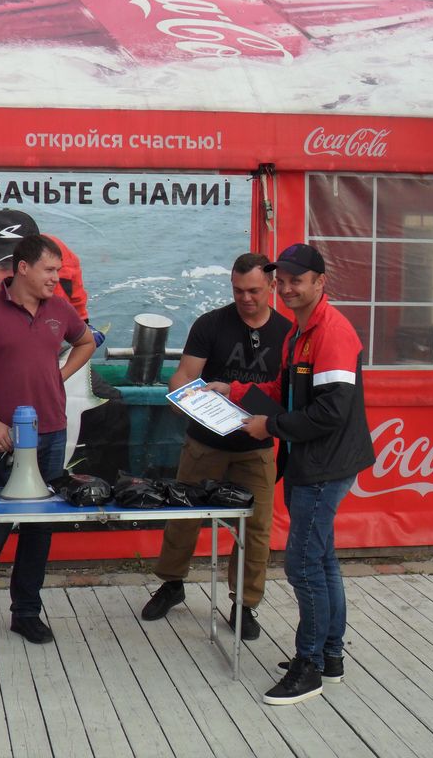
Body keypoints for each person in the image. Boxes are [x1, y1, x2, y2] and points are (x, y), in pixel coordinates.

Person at [207, 242, 375, 706]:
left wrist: (270, 426)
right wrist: (233, 389)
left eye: (295, 281)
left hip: (325, 464)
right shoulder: (300, 332)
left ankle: (310, 666)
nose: (285, 289)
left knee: (302, 565)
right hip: (315, 460)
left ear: (320, 282)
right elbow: (284, 388)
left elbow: (332, 412)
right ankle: (331, 657)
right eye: (280, 281)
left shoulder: (332, 332)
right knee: (322, 560)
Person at [0, 223, 95, 644]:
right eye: (49, 270)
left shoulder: (59, 309)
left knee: (39, 528)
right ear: (23, 268)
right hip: (3, 437)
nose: (56, 278)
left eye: (58, 270)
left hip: (51, 434)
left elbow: (86, 342)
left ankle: (26, 613)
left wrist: (59, 375)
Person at [141, 253, 291, 640]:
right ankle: (172, 583)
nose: (246, 298)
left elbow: (286, 396)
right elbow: (184, 375)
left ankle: (245, 604)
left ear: (272, 286)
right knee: (184, 515)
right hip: (205, 441)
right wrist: (181, 397)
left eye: (254, 290)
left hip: (256, 445)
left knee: (256, 527)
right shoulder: (210, 324)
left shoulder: (287, 333)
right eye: (238, 291)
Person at [0, 212, 130, 481]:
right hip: (3, 372)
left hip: (52, 356)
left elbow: (75, 303)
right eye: (2, 265)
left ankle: (107, 490)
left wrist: (81, 330)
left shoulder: (61, 261)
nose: (14, 274)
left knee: (112, 407)